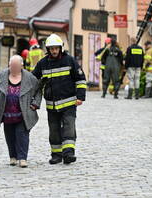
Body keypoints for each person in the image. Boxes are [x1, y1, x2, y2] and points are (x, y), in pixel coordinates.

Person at [32, 34, 86, 165]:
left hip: (69, 103)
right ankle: (56, 155)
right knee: (54, 130)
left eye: (56, 48)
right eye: (51, 49)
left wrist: (80, 97)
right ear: (48, 49)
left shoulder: (70, 61)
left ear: (60, 48)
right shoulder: (43, 64)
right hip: (52, 105)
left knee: (69, 126)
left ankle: (68, 153)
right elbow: (33, 80)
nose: (54, 51)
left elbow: (80, 79)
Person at [0, 55, 42, 168]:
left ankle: (22, 158)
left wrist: (35, 104)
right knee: (10, 136)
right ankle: (13, 156)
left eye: (16, 65)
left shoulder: (29, 77)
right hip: (6, 113)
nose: (14, 67)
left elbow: (38, 90)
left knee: (22, 135)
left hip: (23, 113)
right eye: (12, 65)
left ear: (21, 65)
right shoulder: (1, 76)